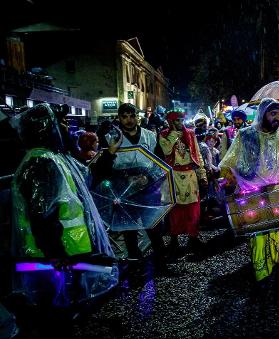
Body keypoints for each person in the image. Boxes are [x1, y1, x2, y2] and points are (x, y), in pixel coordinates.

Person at [10, 103, 119, 306]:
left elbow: (87, 179)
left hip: (67, 253)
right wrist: (55, 254)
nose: (66, 129)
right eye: (61, 123)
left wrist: (110, 153)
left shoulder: (55, 158)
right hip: (53, 257)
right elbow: (42, 214)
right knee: (54, 313)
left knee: (66, 308)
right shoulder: (41, 162)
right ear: (45, 129)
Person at [219, 98, 279, 283]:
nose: (277, 117)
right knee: (260, 235)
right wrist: (229, 177)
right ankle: (263, 275)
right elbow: (229, 162)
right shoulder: (245, 135)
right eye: (272, 113)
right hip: (255, 195)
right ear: (262, 114)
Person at [105, 103, 167, 268]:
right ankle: (135, 265)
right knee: (129, 230)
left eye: (131, 116)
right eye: (124, 117)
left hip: (148, 189)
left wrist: (148, 177)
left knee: (153, 228)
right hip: (125, 190)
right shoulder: (112, 138)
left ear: (137, 116)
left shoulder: (150, 136)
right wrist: (125, 178)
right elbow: (108, 166)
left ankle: (161, 263)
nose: (128, 120)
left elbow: (159, 162)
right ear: (119, 118)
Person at [159, 110, 208, 256]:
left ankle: (193, 238)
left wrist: (202, 175)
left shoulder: (191, 134)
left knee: (193, 209)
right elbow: (167, 151)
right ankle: (174, 239)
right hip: (173, 176)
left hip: (190, 175)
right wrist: (173, 134)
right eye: (177, 121)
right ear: (171, 122)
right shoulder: (163, 135)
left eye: (181, 120)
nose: (180, 123)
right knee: (175, 210)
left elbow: (197, 156)